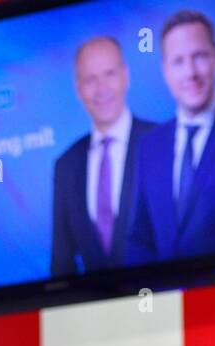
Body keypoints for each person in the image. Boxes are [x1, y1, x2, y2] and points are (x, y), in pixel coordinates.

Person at [126, 11, 215, 265]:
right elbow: (139, 237)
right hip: (162, 300)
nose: (190, 73)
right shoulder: (150, 146)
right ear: (165, 71)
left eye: (199, 57)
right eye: (178, 61)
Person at [50, 37, 156, 275]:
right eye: (90, 79)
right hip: (93, 310)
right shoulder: (65, 166)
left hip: (166, 302)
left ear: (125, 76)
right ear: (78, 89)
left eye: (109, 74)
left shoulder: (163, 142)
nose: (101, 89)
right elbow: (61, 263)